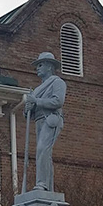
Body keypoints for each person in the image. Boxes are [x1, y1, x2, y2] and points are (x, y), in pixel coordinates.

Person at [24, 52, 67, 192]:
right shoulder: (37, 90)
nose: (37, 68)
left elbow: (58, 101)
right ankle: (48, 186)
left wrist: (37, 101)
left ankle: (42, 183)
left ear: (49, 66)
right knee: (43, 153)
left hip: (51, 119)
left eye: (40, 65)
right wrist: (28, 109)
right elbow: (30, 112)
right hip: (38, 121)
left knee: (43, 149)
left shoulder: (57, 82)